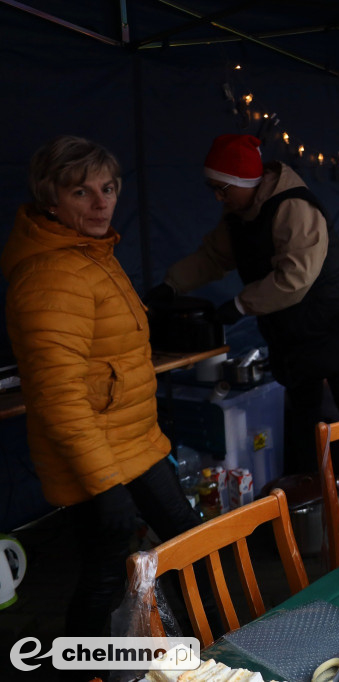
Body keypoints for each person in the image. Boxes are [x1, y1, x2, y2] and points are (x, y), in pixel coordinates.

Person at [0, 137, 202, 656]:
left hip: (136, 444)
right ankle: (84, 667)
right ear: (51, 200)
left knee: (188, 541)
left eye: (108, 188)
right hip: (96, 462)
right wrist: (105, 487)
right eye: (81, 192)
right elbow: (59, 397)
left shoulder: (91, 253)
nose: (100, 203)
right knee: (104, 577)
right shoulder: (50, 273)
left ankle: (215, 644)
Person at [150, 134, 339, 475]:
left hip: (336, 326)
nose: (217, 197)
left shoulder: (293, 206)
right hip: (295, 337)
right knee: (303, 418)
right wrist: (171, 285)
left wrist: (241, 305)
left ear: (245, 182)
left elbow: (295, 278)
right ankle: (313, 496)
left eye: (223, 188)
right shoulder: (239, 214)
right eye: (212, 187)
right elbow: (213, 257)